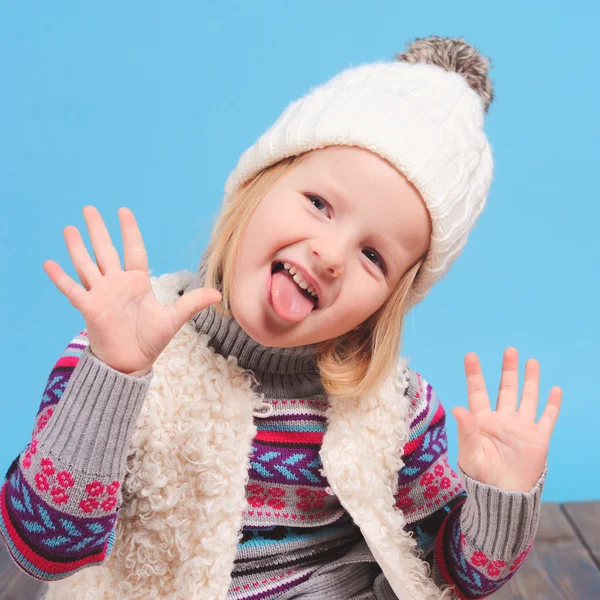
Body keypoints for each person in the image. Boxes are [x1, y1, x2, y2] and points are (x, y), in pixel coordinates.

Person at [0, 35, 562, 600]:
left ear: (388, 302)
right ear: (256, 186)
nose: (331, 254)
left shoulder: (398, 410)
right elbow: (43, 549)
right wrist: (112, 377)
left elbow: (450, 575)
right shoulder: (122, 355)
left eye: (373, 256)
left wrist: (500, 502)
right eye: (319, 204)